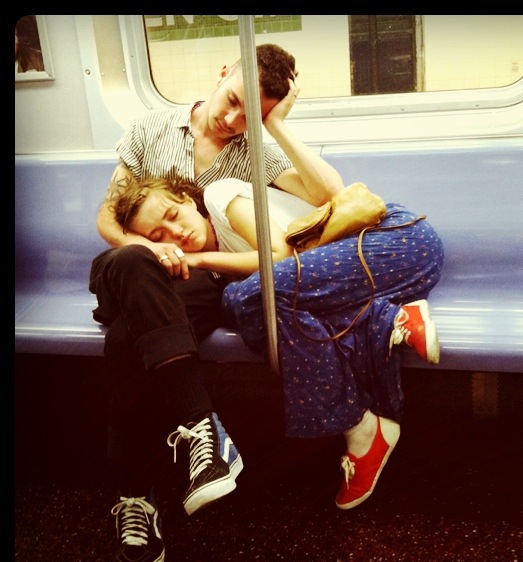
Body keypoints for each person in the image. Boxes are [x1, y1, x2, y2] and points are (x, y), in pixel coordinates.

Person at [88, 43, 344, 562]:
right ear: (223, 71)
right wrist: (150, 247)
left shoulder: (252, 150)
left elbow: (330, 195)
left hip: (191, 282)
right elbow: (108, 217)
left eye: (251, 115)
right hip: (131, 266)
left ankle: (135, 502)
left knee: (128, 340)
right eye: (232, 100)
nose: (232, 120)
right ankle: (200, 424)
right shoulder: (151, 127)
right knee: (132, 264)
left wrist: (275, 126)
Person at [112, 176, 444, 516]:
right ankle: (391, 328)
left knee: (244, 298)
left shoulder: (218, 196)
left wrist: (198, 259)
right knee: (273, 311)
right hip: (377, 280)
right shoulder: (223, 265)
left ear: (187, 200)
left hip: (395, 241)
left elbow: (278, 255)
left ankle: (370, 391)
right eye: (159, 237)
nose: (175, 233)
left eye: (172, 215)